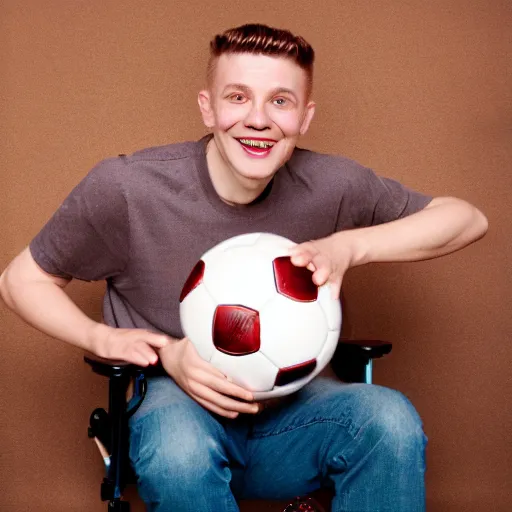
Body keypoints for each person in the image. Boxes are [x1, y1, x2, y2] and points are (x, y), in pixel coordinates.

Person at [0, 23, 487, 512]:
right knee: (179, 449)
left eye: (280, 101)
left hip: (298, 417)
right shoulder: (129, 188)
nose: (258, 120)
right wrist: (105, 339)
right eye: (237, 97)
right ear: (207, 107)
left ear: (305, 116)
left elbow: (466, 219)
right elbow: (20, 280)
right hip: (176, 413)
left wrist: (348, 247)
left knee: (390, 420)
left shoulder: (334, 184)